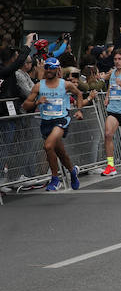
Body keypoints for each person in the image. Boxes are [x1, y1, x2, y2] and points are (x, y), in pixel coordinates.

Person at [21, 57, 84, 191]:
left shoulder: (65, 84)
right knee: (61, 153)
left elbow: (79, 94)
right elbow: (25, 105)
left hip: (61, 120)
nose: (49, 70)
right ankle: (72, 171)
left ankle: (55, 179)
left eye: (52, 68)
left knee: (48, 146)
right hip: (46, 122)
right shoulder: (39, 86)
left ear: (57, 69)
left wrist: (79, 110)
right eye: (47, 67)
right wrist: (37, 102)